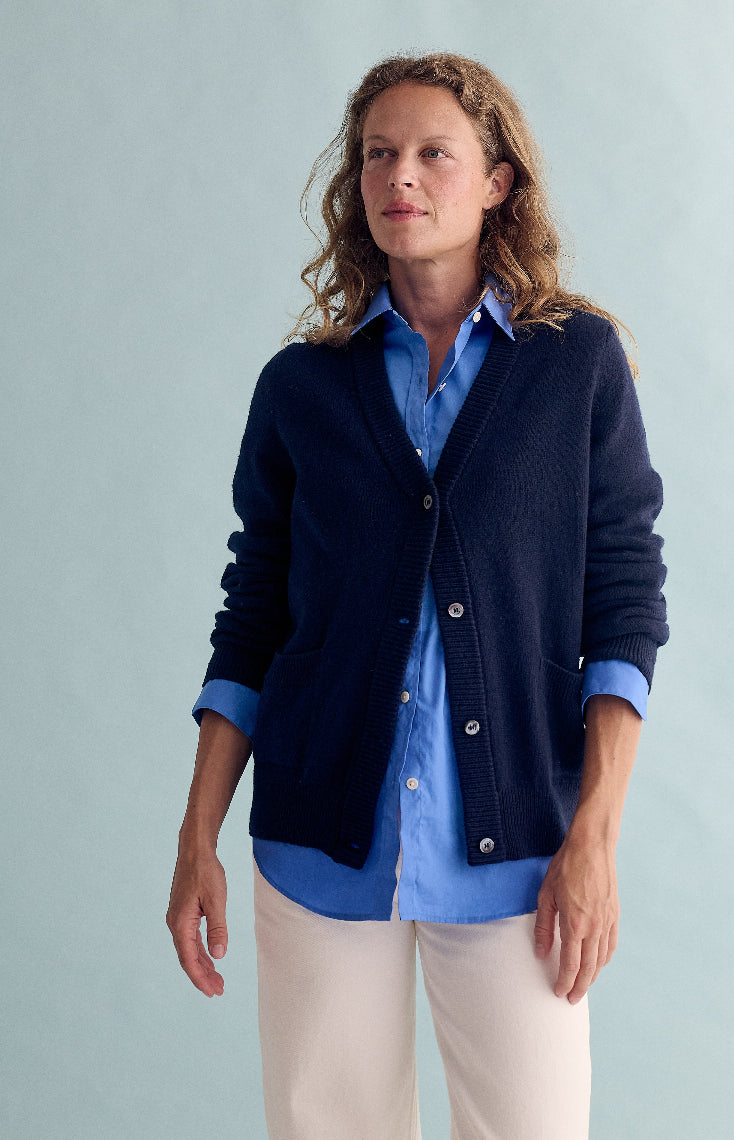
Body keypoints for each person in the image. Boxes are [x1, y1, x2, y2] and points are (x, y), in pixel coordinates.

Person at [166, 50, 668, 1140]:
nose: (400, 175)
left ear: (496, 182)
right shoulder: (302, 387)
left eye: (435, 153)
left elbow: (625, 601)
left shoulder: (575, 365)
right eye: (377, 154)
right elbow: (253, 617)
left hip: (523, 851)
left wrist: (595, 835)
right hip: (316, 844)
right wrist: (197, 834)